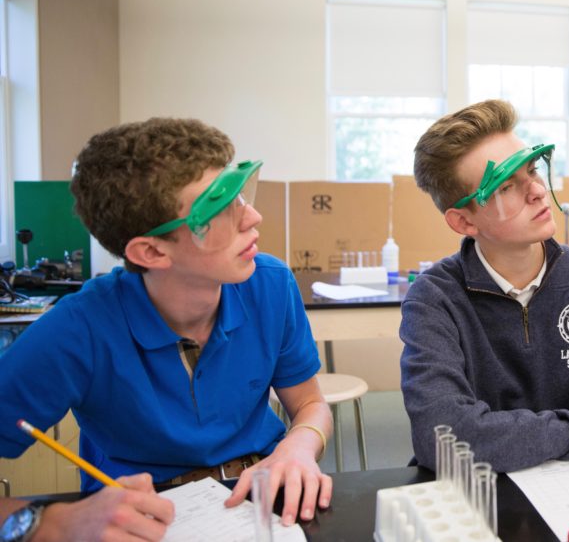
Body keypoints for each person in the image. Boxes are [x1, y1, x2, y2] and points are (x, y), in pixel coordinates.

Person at [0, 118, 333, 539]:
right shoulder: (79, 328)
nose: (252, 216)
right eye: (218, 207)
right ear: (152, 251)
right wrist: (48, 522)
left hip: (260, 503)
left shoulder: (268, 284)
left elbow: (309, 403)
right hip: (143, 520)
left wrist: (300, 445)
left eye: (240, 193)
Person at [401, 99, 569, 473]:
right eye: (506, 187)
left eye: (532, 170)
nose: (537, 191)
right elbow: (446, 439)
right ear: (464, 221)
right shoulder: (434, 298)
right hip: (484, 505)